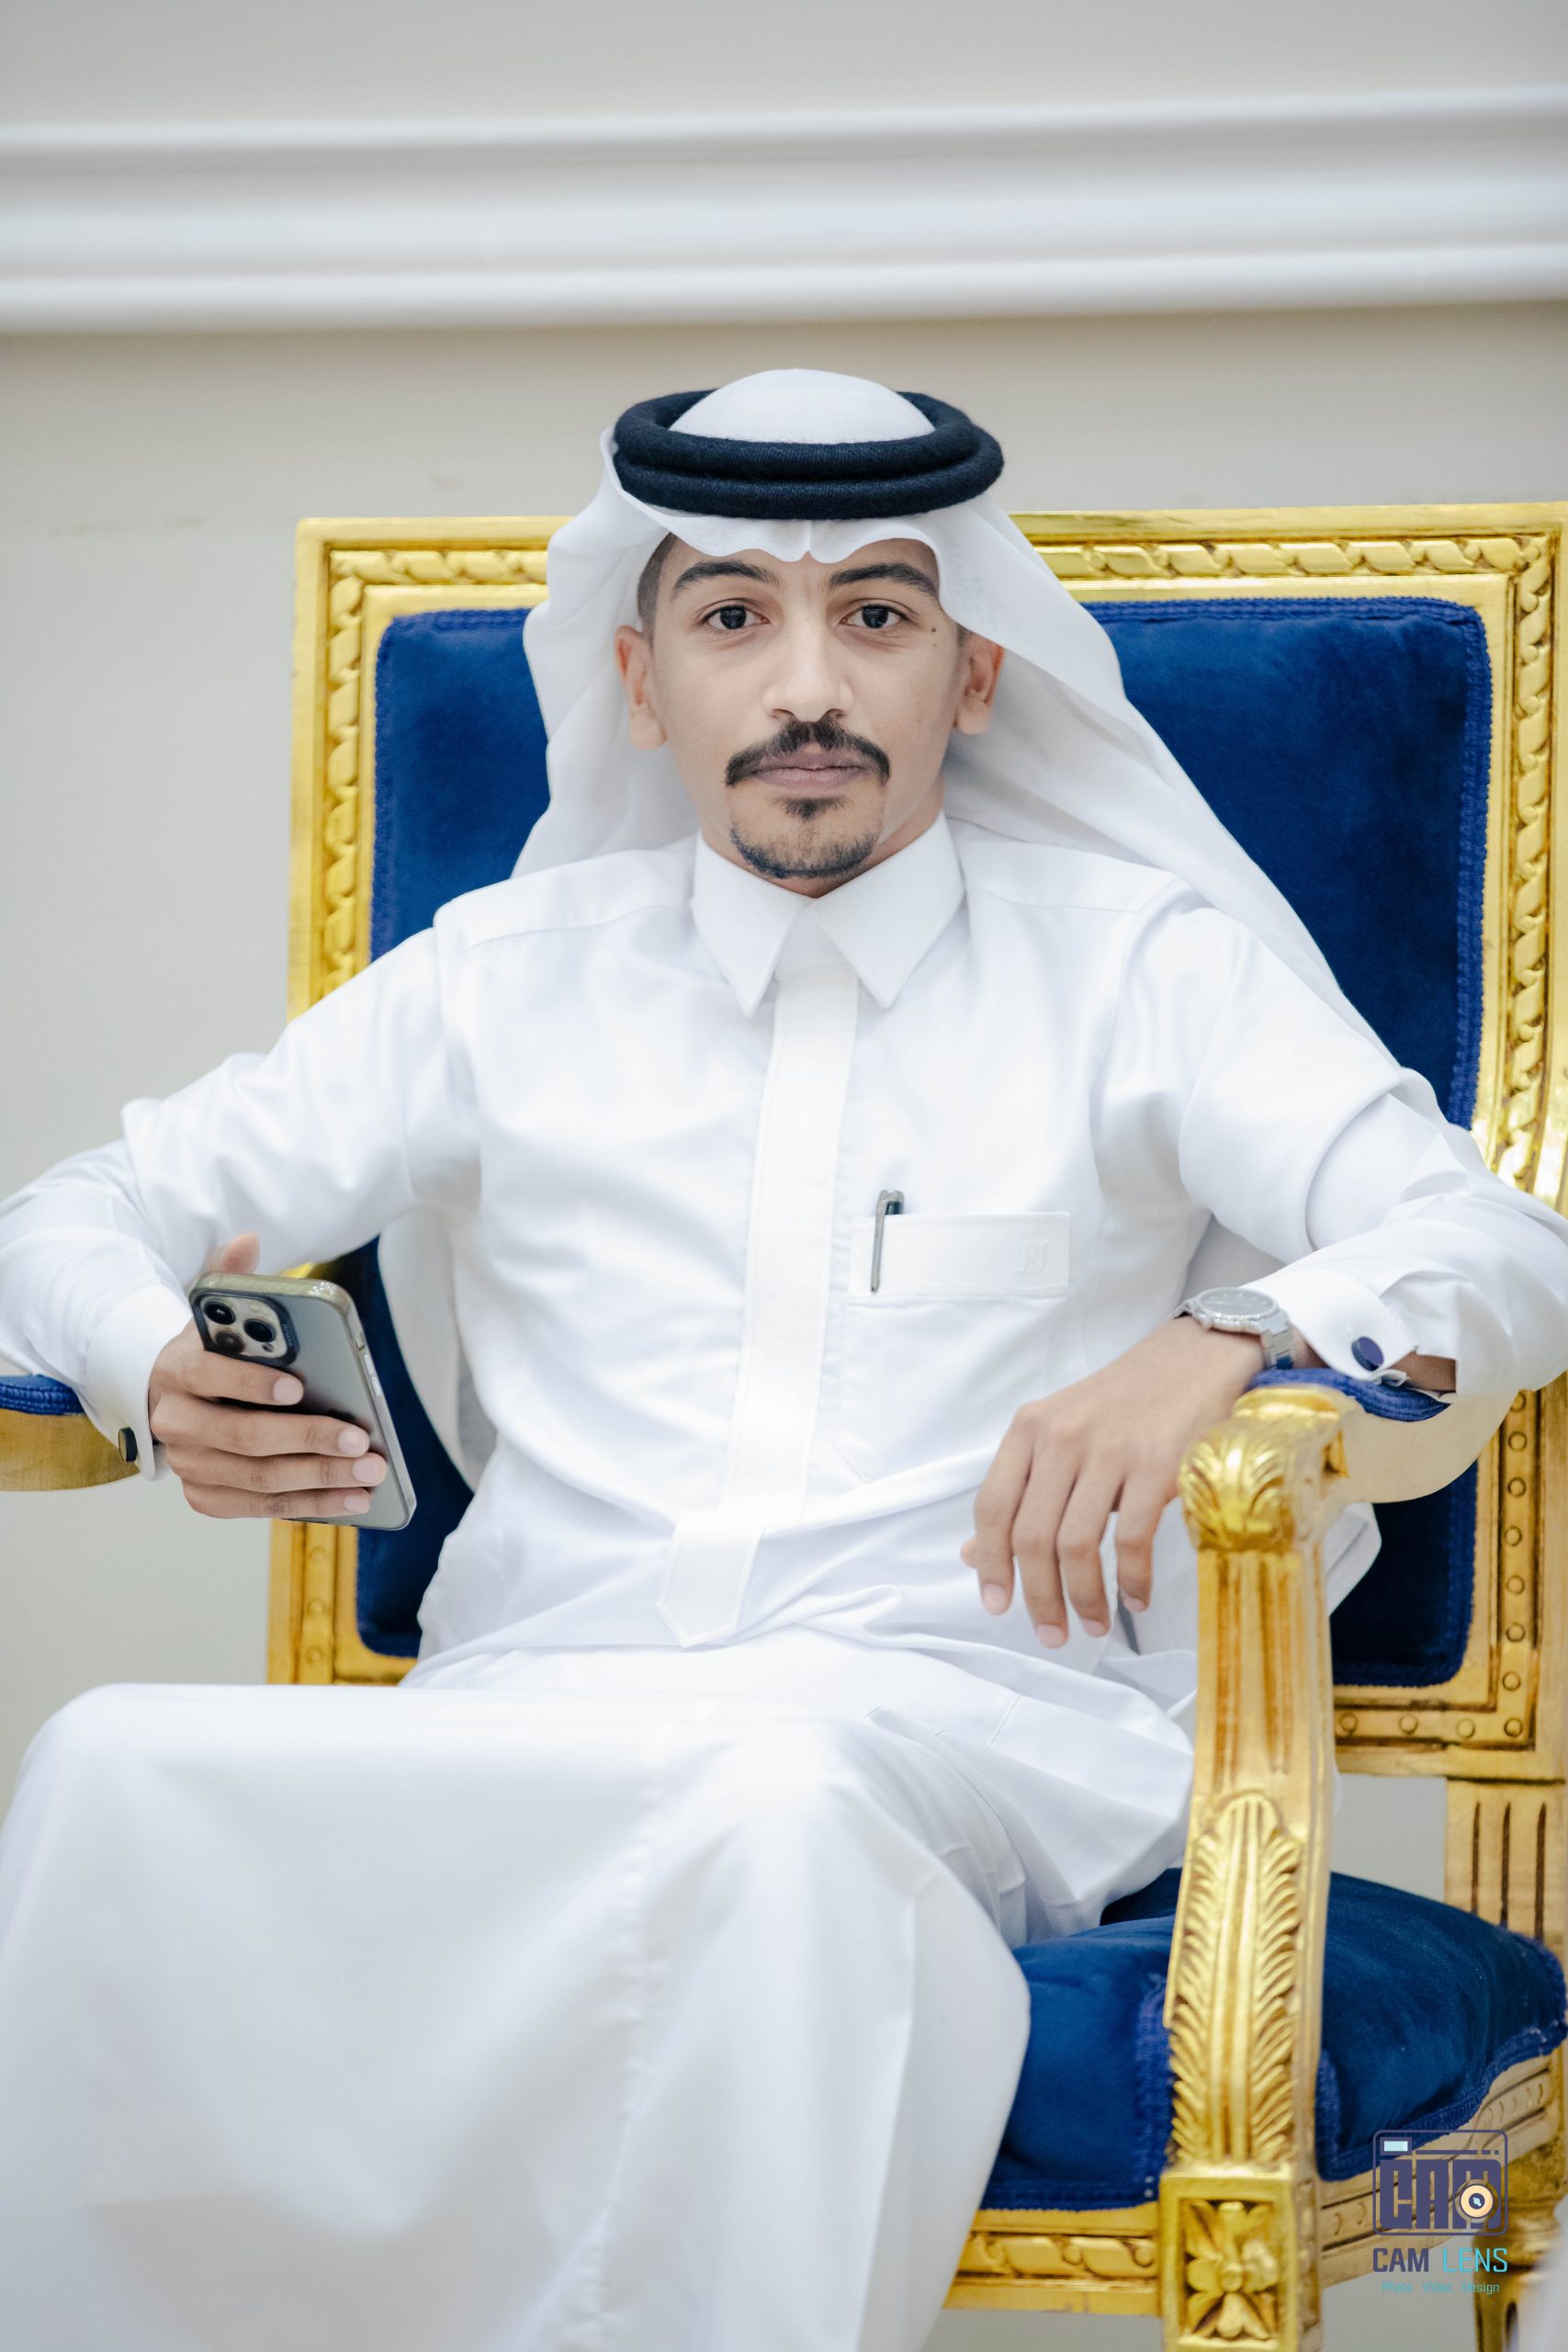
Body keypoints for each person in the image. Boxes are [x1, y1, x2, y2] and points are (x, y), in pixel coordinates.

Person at [1, 368, 1565, 2352]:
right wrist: (149, 1364)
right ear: (642, 682)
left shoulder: (1143, 968)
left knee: (767, 1802)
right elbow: (68, 1214)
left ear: (972, 673)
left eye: (877, 615)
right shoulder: (497, 979)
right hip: (527, 1704)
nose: (806, 685)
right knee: (109, 1767)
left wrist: (1226, 1330)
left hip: (946, 1729)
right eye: (734, 616)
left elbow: (1500, 1249)